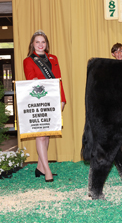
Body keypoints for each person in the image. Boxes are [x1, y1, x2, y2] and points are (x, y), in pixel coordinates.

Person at [23, 30, 66, 182]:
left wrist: (62, 99)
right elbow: (30, 79)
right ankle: (47, 170)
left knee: (46, 134)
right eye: (37, 42)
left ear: (46, 44)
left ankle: (40, 167)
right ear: (32, 44)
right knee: (41, 135)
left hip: (54, 99)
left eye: (43, 42)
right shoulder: (28, 60)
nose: (41, 45)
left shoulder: (53, 58)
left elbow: (58, 80)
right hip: (38, 100)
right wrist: (34, 80)